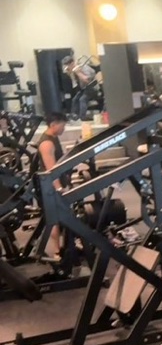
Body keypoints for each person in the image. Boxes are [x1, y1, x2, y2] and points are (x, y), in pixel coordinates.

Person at [35, 111, 68, 259]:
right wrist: (59, 188)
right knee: (54, 219)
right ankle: (56, 251)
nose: (64, 129)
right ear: (53, 125)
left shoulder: (54, 138)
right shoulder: (47, 143)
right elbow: (51, 170)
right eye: (62, 126)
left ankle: (64, 246)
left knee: (62, 216)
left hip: (53, 184)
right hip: (49, 187)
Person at [62, 55, 100, 120]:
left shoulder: (84, 67)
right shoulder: (73, 70)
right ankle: (74, 116)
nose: (66, 67)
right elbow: (75, 83)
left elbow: (87, 81)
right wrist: (70, 73)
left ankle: (83, 117)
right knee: (74, 99)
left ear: (72, 63)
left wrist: (78, 72)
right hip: (84, 89)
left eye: (67, 65)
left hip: (93, 87)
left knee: (82, 99)